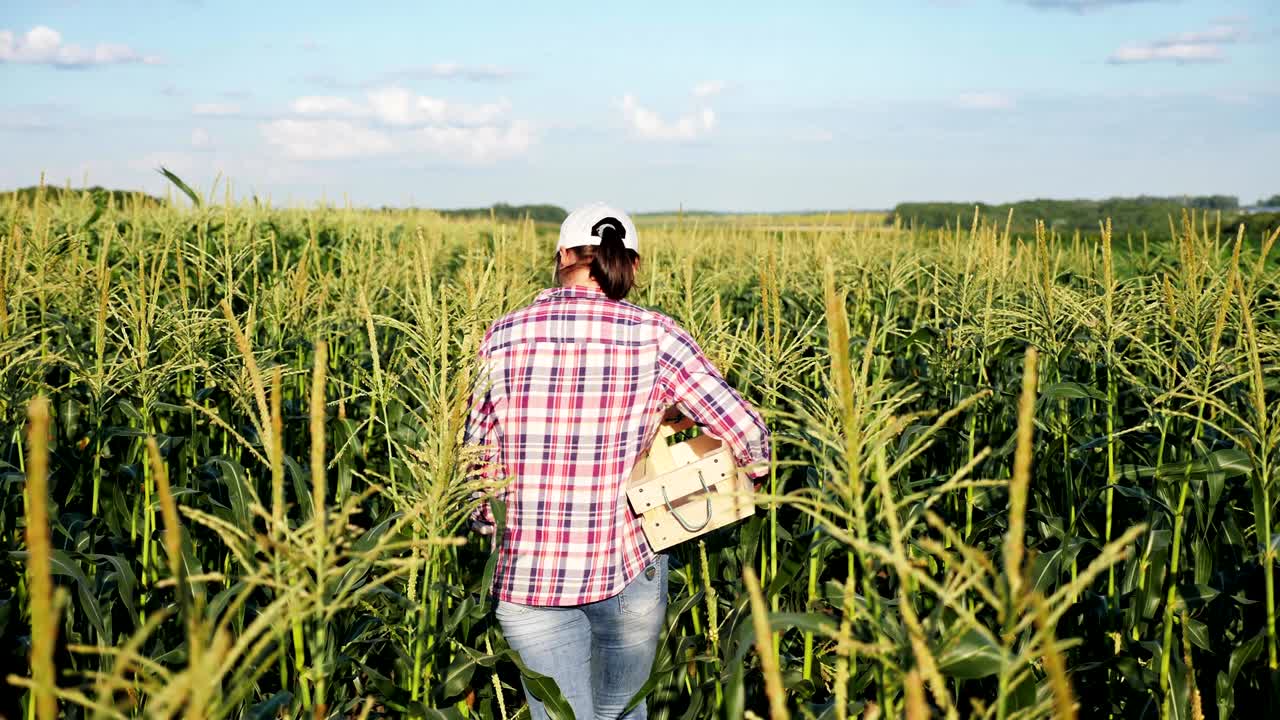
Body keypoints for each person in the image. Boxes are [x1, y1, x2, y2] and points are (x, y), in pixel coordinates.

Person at [464, 202, 770, 720]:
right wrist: (740, 471)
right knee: (621, 713)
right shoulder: (657, 336)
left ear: (561, 256)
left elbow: (477, 467)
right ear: (632, 264)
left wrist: (489, 519)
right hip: (623, 567)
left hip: (526, 576)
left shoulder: (503, 335)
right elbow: (750, 436)